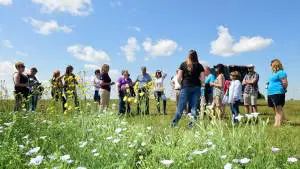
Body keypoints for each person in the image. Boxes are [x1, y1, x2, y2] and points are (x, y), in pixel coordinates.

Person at [172, 50, 205, 128]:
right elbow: (203, 79)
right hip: (196, 87)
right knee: (194, 108)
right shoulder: (200, 66)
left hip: (185, 87)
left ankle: (174, 124)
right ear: (196, 56)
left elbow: (179, 78)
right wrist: (201, 85)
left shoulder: (183, 64)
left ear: (188, 56)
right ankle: (191, 126)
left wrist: (181, 84)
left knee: (181, 107)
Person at [267, 59, 288, 127]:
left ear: (275, 65)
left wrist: (284, 89)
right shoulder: (273, 74)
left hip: (278, 92)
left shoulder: (281, 72)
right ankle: (278, 121)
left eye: (271, 65)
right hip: (271, 93)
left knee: (278, 108)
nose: (270, 67)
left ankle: (278, 124)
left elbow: (284, 82)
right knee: (274, 109)